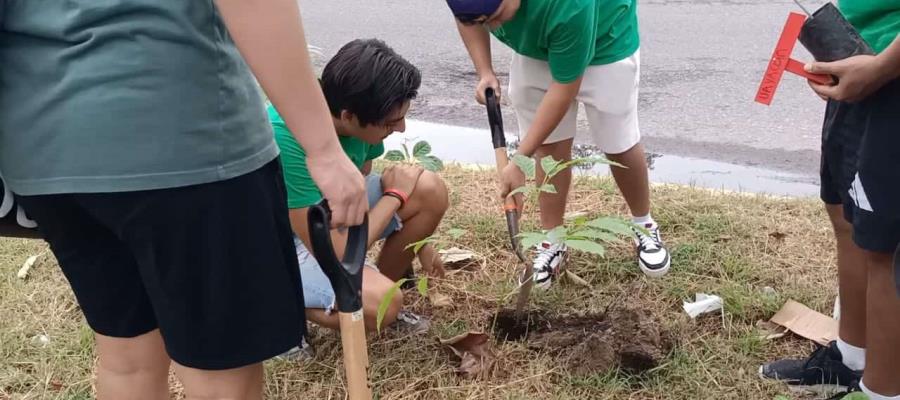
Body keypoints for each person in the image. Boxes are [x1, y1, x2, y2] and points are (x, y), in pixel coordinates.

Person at [0, 1, 367, 399]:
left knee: (127, 360)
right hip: (190, 147)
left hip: (47, 154)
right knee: (221, 375)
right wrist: (324, 149)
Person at [444, 0, 671, 289]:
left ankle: (644, 224)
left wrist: (519, 159)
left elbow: (564, 89)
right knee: (549, 148)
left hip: (605, 40)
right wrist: (485, 71)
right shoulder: (479, 9)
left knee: (619, 143)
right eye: (484, 20)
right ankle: (553, 240)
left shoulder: (570, 6)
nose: (496, 27)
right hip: (537, 44)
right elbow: (467, 18)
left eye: (497, 16)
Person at [759, 2, 900, 399]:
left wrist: (882, 67)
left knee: (888, 249)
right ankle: (850, 358)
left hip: (888, 65)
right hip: (858, 52)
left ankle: (880, 392)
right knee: (848, 217)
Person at [269, 39, 450, 333]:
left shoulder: (356, 119)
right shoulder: (286, 139)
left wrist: (421, 243)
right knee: (383, 304)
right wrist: (394, 196)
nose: (401, 129)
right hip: (277, 245)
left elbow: (358, 190)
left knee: (429, 190)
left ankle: (367, 291)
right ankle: (278, 300)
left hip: (326, 218)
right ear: (348, 116)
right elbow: (339, 252)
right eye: (391, 124)